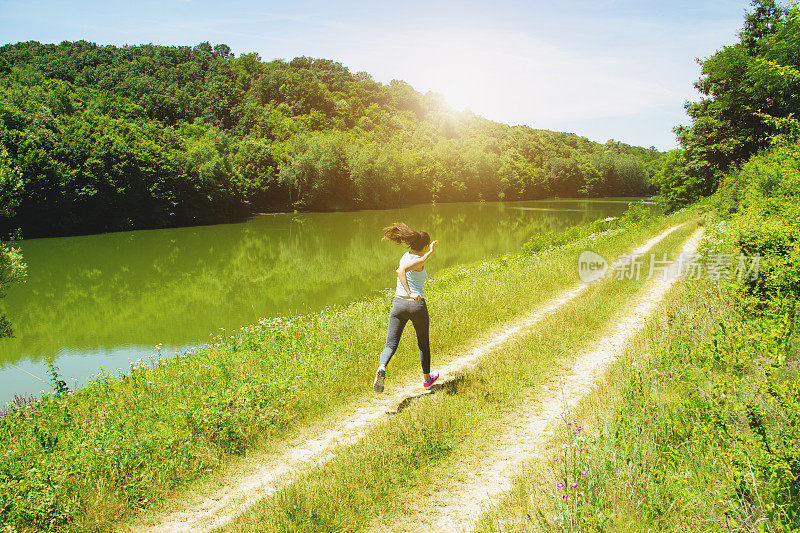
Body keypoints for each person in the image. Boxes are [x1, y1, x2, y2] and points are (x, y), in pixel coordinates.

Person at [373, 222, 439, 393]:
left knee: (390, 345)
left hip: (398, 306)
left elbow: (413, 261)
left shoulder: (405, 255)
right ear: (424, 247)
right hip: (416, 305)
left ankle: (382, 367)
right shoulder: (418, 260)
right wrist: (411, 293)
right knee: (423, 344)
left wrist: (429, 250)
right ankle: (427, 380)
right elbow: (401, 271)